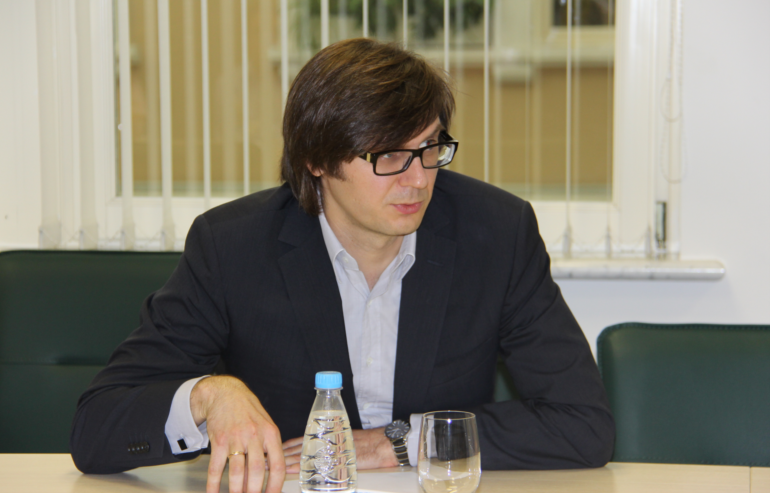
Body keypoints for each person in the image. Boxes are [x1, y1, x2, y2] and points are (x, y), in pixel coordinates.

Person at [70, 38, 614, 493]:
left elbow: (583, 423)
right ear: (317, 159)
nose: (419, 178)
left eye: (430, 147)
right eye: (389, 155)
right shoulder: (232, 247)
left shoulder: (496, 234)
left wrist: (397, 443)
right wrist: (209, 395)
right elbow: (96, 427)